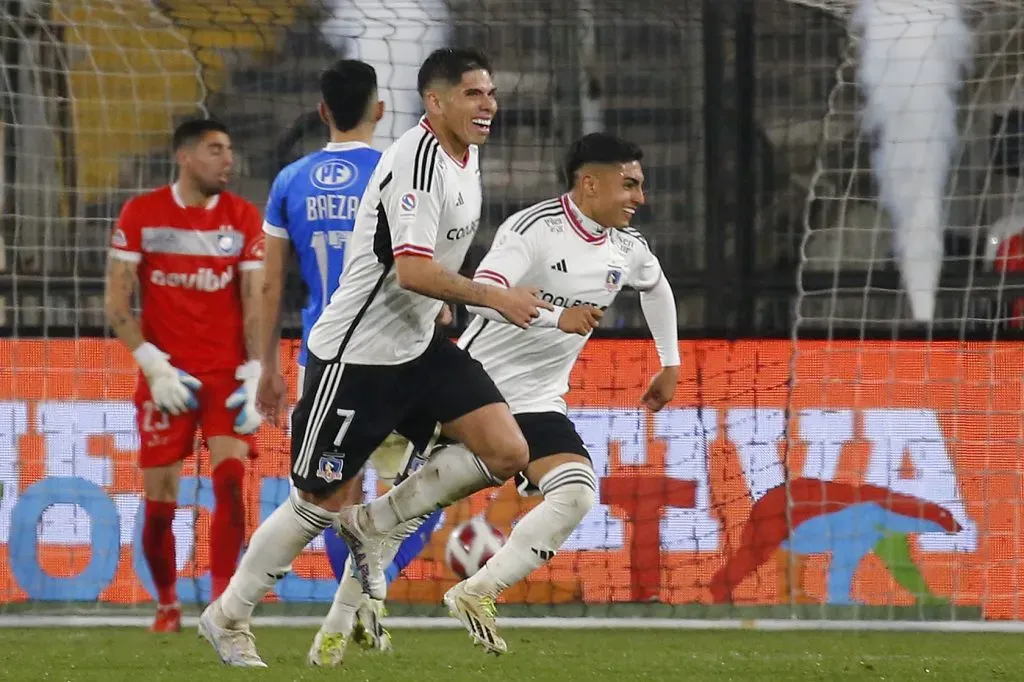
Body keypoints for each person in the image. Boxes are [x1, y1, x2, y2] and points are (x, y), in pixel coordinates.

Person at [198, 47, 548, 668]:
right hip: (354, 359)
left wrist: (446, 308)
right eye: (473, 93)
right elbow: (413, 270)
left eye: (490, 91)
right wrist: (492, 297)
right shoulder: (414, 163)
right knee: (313, 504)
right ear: (434, 102)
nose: (488, 103)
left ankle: (376, 522)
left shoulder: (466, 156)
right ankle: (228, 615)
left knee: (506, 451)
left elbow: (425, 263)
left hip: (417, 348)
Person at [444, 132, 681, 653]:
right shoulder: (533, 229)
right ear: (589, 183)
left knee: (576, 494)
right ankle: (349, 609)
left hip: (536, 401)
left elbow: (656, 286)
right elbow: (483, 298)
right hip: (470, 391)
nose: (640, 197)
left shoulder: (628, 248)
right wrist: (558, 316)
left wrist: (670, 362)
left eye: (641, 185)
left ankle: (478, 590)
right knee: (401, 510)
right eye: (630, 184)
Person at [254, 58, 443, 658]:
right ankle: (358, 606)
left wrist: (265, 367)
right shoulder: (397, 171)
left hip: (322, 357)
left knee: (334, 499)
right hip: (392, 356)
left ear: (322, 111)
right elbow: (423, 272)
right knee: (422, 490)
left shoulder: (289, 181)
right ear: (380, 109)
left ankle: (343, 611)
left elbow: (269, 283)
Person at [103, 119, 265, 633]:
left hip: (225, 375)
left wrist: (257, 366)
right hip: (165, 376)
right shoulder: (142, 213)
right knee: (159, 502)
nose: (228, 160)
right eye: (216, 150)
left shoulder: (242, 217)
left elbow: (255, 301)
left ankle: (222, 607)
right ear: (186, 157)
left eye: (230, 149)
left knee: (232, 481)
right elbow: (115, 302)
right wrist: (152, 364)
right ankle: (168, 603)